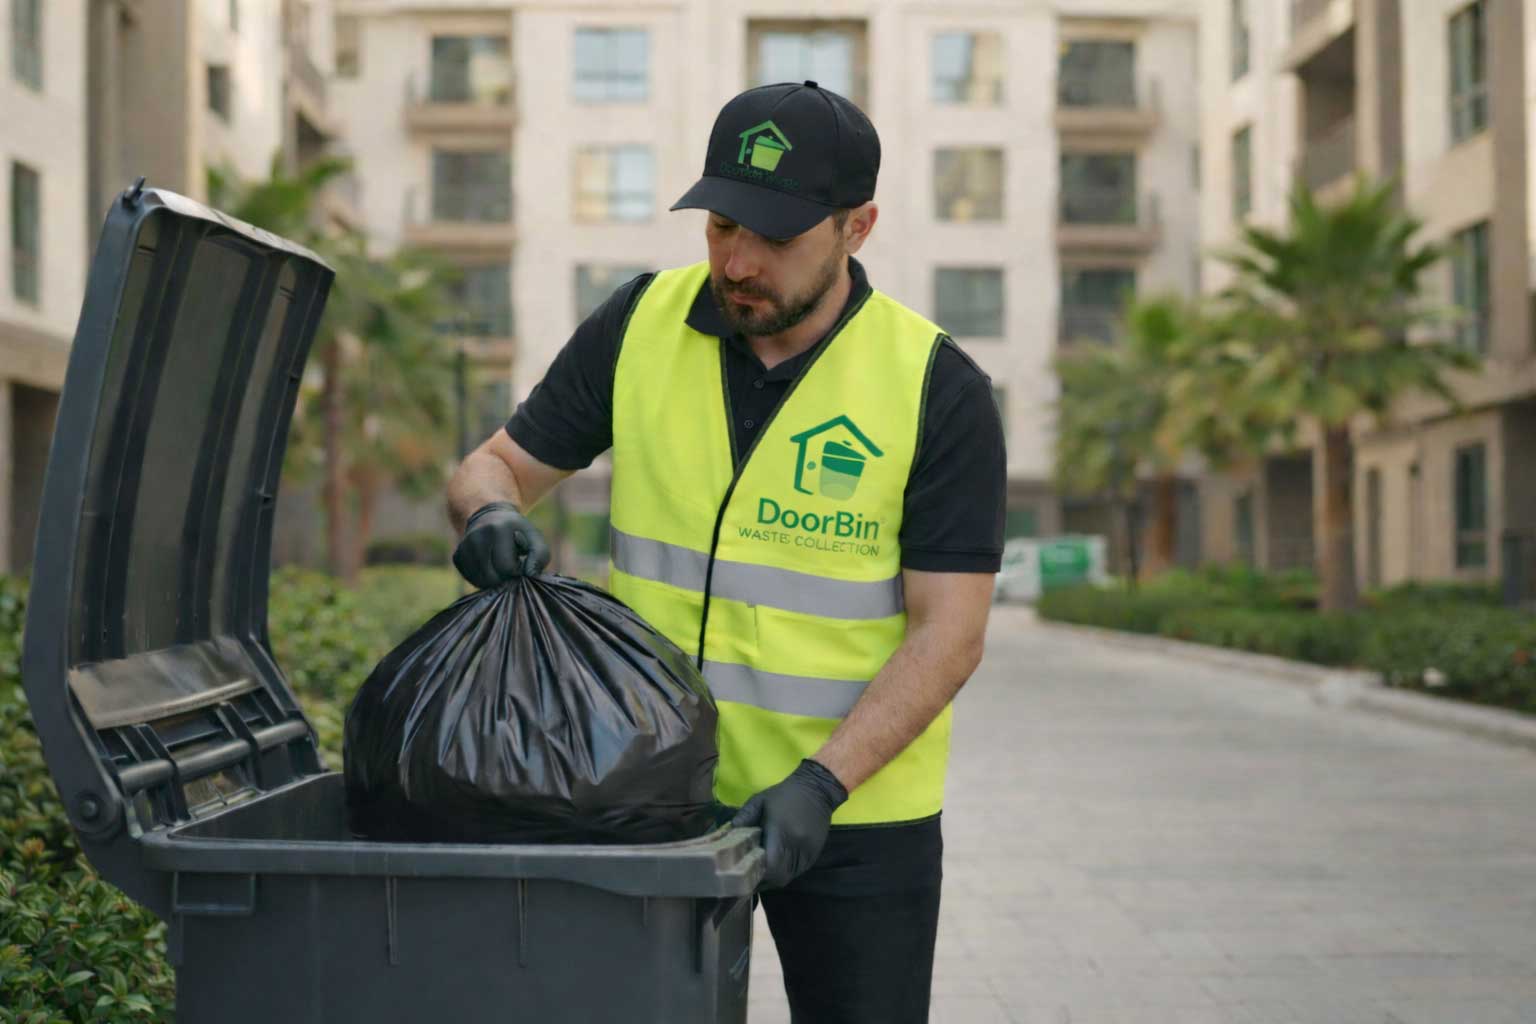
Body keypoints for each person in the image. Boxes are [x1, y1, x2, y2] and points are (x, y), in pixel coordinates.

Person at [445, 81, 1005, 1022]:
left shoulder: (934, 388)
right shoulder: (639, 327)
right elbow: (492, 466)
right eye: (720, 226)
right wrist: (489, 516)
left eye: (776, 237)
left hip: (856, 821)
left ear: (856, 227)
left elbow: (950, 633)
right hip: (655, 801)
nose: (738, 262)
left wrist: (822, 785)